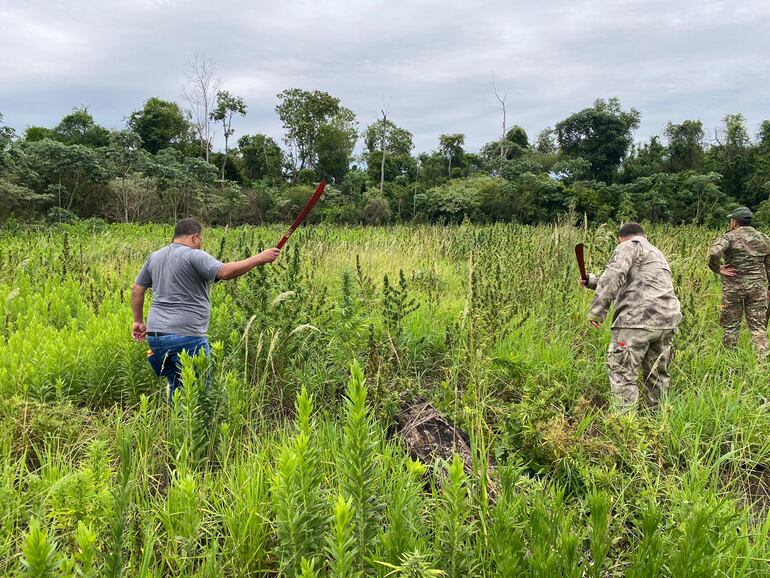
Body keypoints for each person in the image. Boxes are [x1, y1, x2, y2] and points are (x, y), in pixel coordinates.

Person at [131, 218, 280, 401]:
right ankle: (196, 429)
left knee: (176, 387)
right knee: (199, 392)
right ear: (195, 237)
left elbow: (137, 289)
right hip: (186, 335)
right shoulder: (194, 255)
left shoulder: (155, 257)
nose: (201, 243)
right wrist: (259, 258)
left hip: (156, 337)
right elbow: (224, 272)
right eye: (200, 239)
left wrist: (138, 321)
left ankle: (177, 427)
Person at [579, 222, 682, 412]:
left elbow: (615, 275)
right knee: (657, 376)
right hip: (666, 322)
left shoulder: (628, 246)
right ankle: (658, 424)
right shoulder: (656, 253)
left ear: (621, 238)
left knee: (623, 374)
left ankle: (624, 429)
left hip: (636, 321)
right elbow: (638, 283)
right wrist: (592, 281)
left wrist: (597, 311)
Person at [707, 206, 770, 357]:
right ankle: (761, 363)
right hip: (758, 288)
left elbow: (713, 254)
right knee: (758, 329)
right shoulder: (764, 238)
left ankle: (729, 362)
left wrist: (718, 269)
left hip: (733, 288)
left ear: (734, 222)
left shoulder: (729, 237)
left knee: (731, 327)